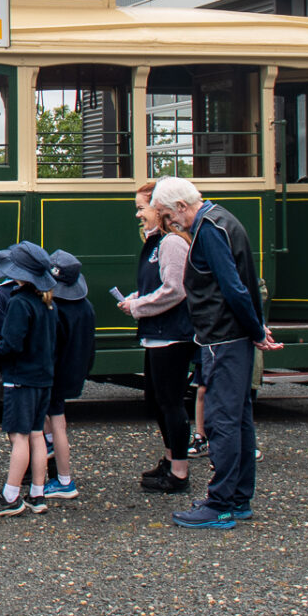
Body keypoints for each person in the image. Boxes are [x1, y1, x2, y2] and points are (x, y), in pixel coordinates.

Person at [150, 177, 279, 530]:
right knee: (238, 419)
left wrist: (255, 330)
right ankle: (237, 499)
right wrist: (257, 326)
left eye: (165, 213)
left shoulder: (208, 231)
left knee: (222, 420)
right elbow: (246, 283)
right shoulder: (223, 220)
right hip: (232, 335)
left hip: (222, 337)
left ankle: (221, 503)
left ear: (180, 206)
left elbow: (233, 288)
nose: (167, 222)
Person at [118, 181, 196, 494]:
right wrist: (138, 297)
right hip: (159, 334)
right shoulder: (156, 243)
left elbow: (175, 289)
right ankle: (170, 459)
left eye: (142, 208)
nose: (139, 214)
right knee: (159, 401)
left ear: (159, 208)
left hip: (172, 335)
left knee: (171, 402)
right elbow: (160, 284)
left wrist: (137, 305)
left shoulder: (171, 243)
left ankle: (179, 471)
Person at [0, 242, 57, 518]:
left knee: (18, 436)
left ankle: (10, 495)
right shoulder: (48, 302)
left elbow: (12, 344)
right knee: (36, 435)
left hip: (20, 378)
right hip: (43, 379)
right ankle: (37, 492)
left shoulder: (19, 302)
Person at [44, 250, 96, 501]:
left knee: (56, 423)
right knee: (57, 421)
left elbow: (52, 348)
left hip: (54, 375)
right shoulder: (86, 307)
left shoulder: (55, 309)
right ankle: (58, 468)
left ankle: (64, 479)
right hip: (74, 373)